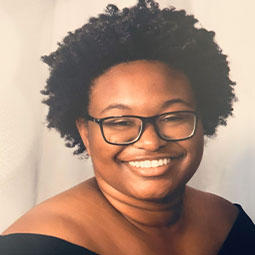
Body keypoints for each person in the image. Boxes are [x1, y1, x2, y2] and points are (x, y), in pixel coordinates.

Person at [1, 0, 254, 254]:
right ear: (85, 133)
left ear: (203, 118)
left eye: (173, 117)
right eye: (121, 122)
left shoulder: (228, 223)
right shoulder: (32, 247)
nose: (151, 142)